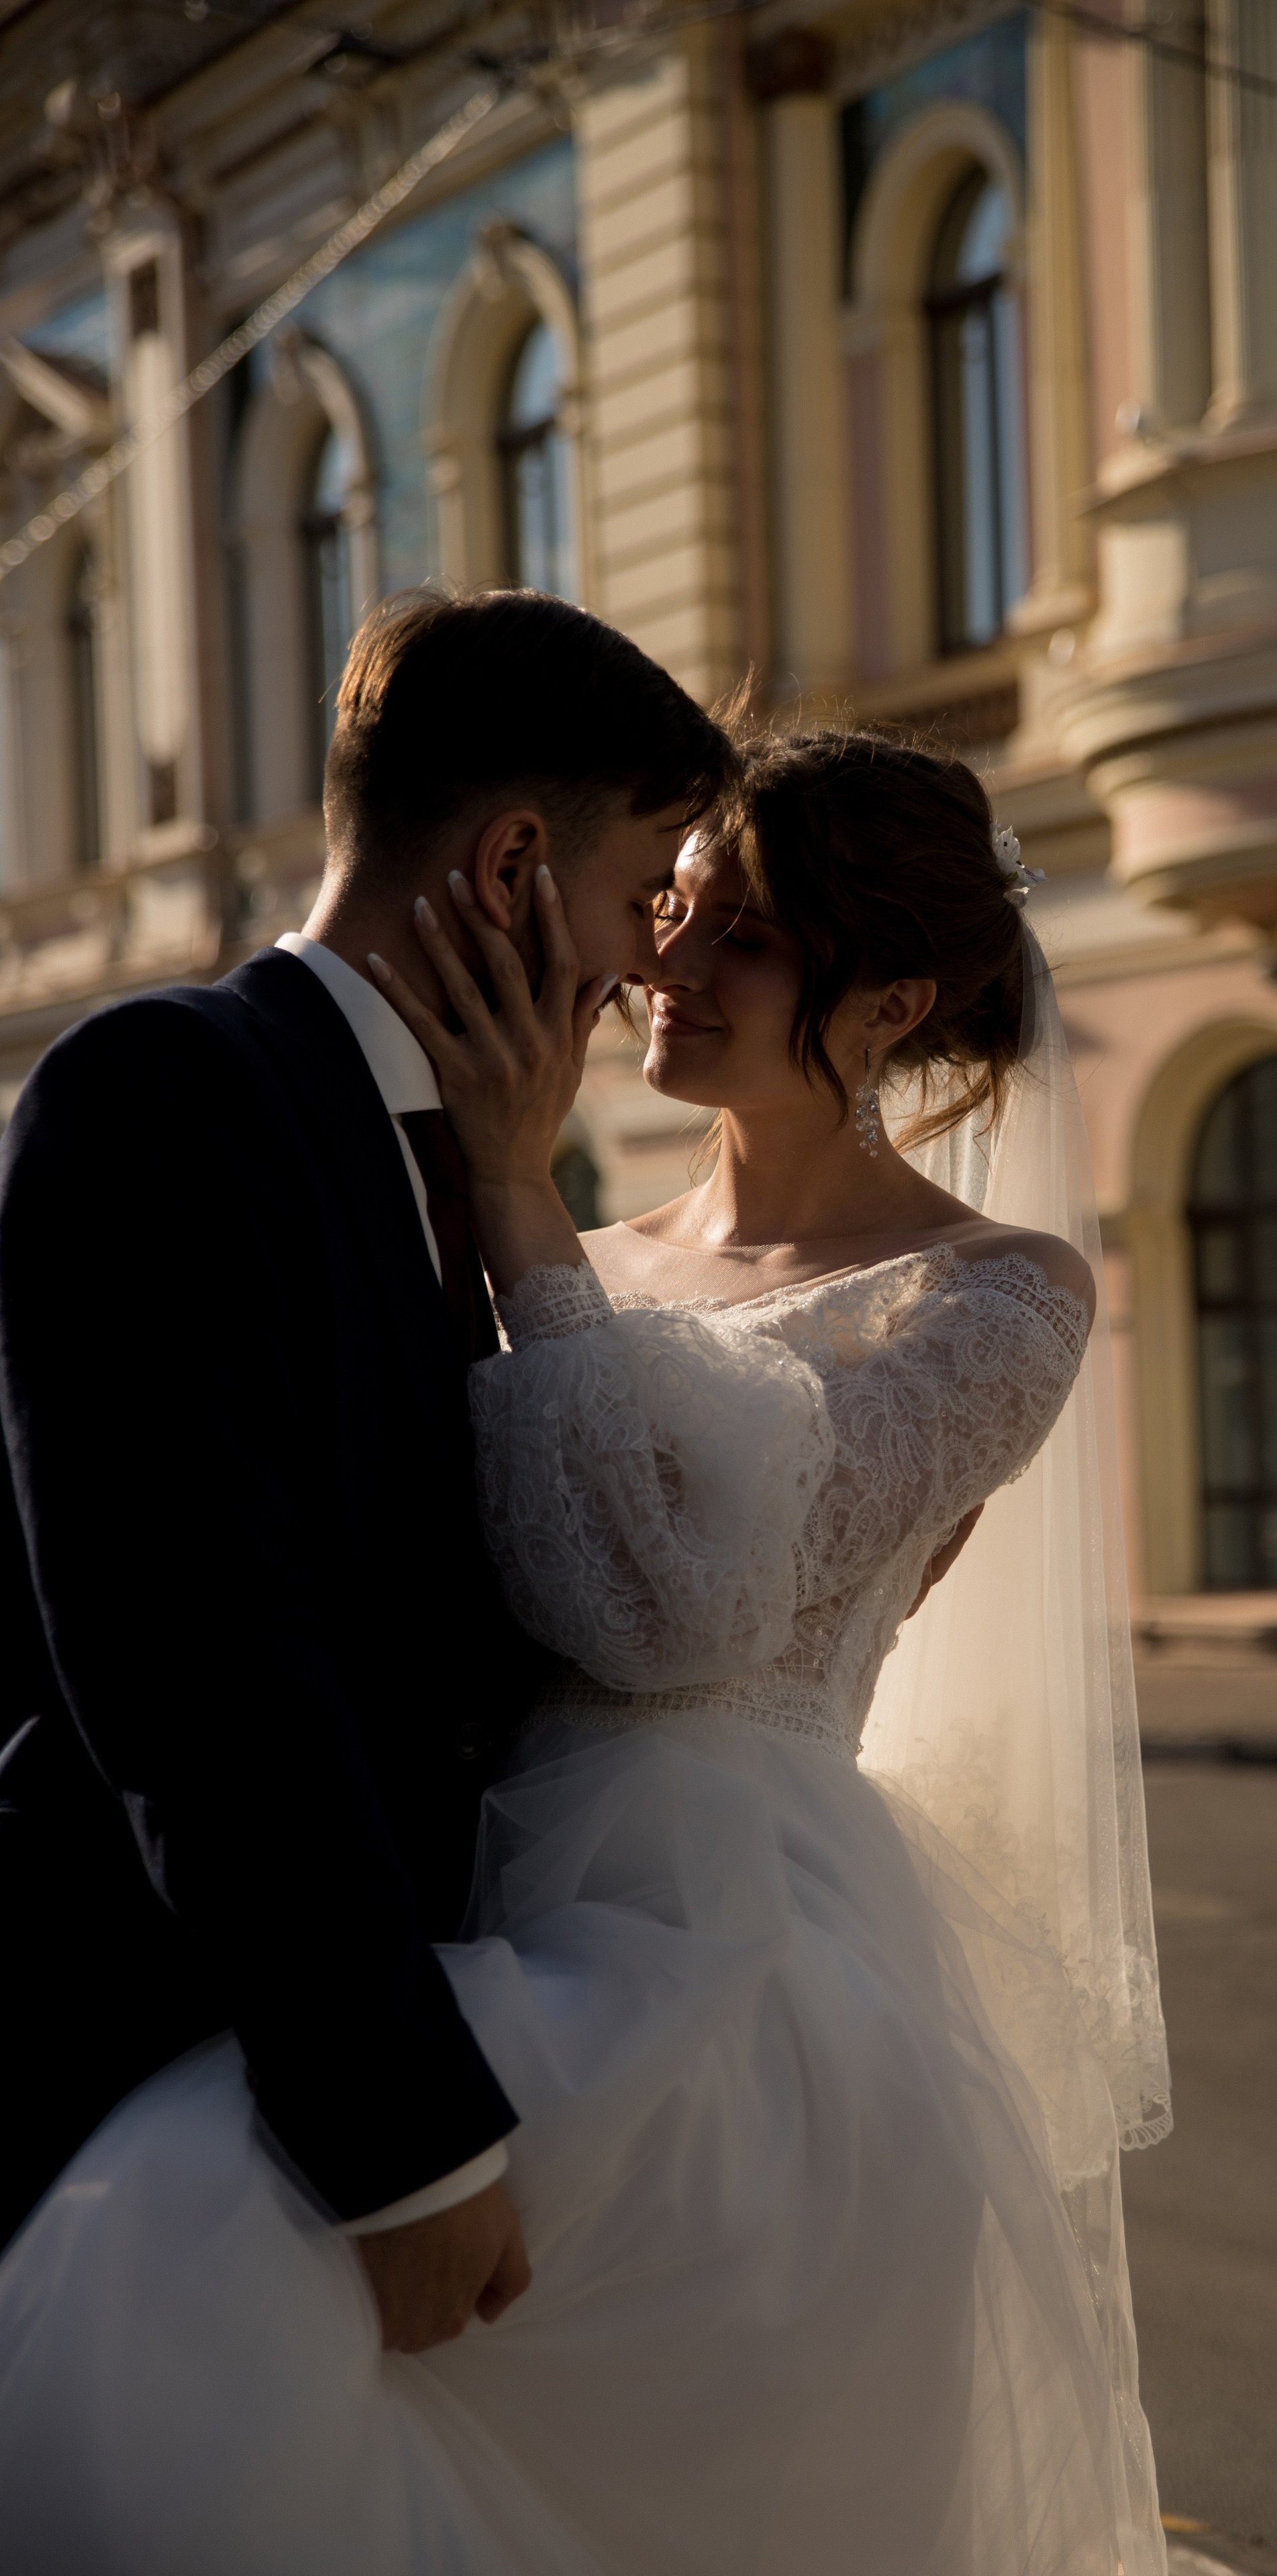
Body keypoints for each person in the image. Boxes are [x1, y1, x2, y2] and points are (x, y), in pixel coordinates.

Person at [0, 725, 1170, 2574]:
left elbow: (673, 1618)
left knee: (211, 2250)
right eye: (676, 910)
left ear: (899, 1000)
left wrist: (519, 1202)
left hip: (730, 1958)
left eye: (746, 940)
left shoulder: (999, 1293)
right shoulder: (583, 1245)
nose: (664, 971)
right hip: (470, 1889)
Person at [0, 588, 735, 2352]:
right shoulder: (165, 1090)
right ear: (510, 872)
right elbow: (198, 1652)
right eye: (643, 899)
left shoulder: (474, 1160)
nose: (652, 967)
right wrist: (403, 2144)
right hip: (159, 2089)